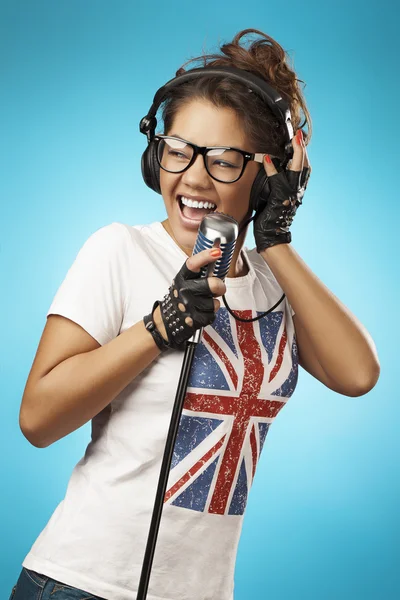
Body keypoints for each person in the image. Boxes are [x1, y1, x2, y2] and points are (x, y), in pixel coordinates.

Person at [10, 28, 380, 600]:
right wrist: (157, 329)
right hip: (82, 583)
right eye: (179, 151)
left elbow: (358, 375)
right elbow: (38, 419)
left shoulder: (273, 282)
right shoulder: (120, 250)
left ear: (270, 176)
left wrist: (275, 238)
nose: (194, 178)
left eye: (226, 160)